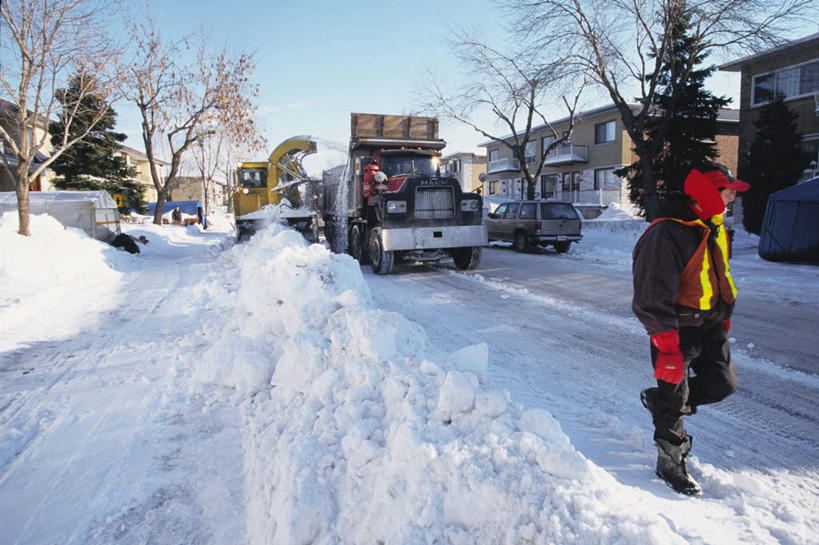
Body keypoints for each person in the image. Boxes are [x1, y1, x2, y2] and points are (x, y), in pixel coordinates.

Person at [632, 164, 750, 495]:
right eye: (728, 191)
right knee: (674, 395)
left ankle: (662, 401)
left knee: (722, 384)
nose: (733, 197)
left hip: (709, 324)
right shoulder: (667, 232)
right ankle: (670, 461)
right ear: (709, 194)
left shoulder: (713, 227)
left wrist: (723, 312)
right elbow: (650, 292)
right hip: (676, 328)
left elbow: (718, 276)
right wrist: (665, 338)